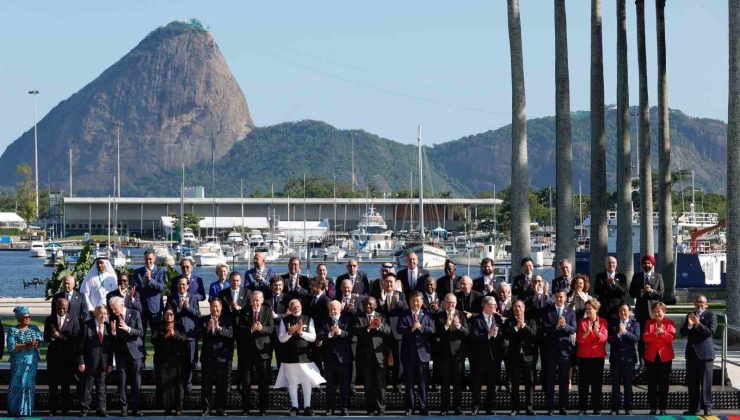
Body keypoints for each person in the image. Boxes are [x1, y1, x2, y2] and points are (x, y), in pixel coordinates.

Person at [275, 299, 326, 416]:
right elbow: (281, 339)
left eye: (298, 306)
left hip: (305, 356)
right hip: (289, 356)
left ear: (301, 307)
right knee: (292, 383)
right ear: (289, 308)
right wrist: (289, 333)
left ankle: (307, 406)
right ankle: (295, 407)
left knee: (306, 382)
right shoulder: (284, 320)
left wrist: (301, 333)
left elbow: (313, 337)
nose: (296, 308)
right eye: (293, 307)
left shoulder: (308, 319)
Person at [397, 292, 436, 416]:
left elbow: (433, 329)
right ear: (409, 302)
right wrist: (410, 329)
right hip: (408, 354)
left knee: (423, 383)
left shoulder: (428, 315)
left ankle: (424, 407)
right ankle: (410, 408)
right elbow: (398, 329)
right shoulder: (404, 315)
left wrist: (421, 327)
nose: (416, 303)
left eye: (418, 301)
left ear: (422, 302)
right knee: (409, 383)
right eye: (413, 301)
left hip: (423, 354)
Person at [237, 291, 275, 416]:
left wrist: (261, 328)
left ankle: (263, 409)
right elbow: (240, 330)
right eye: (253, 300)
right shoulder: (244, 311)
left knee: (263, 382)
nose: (255, 302)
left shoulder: (268, 311)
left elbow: (272, 329)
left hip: (263, 353)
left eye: (258, 300)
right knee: (246, 382)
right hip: (247, 352)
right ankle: (245, 409)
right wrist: (251, 329)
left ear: (262, 300)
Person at [352, 297, 391, 416]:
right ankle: (370, 409)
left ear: (375, 305)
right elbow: (354, 330)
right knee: (367, 384)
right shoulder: (359, 317)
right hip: (365, 356)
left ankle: (381, 409)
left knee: (380, 384)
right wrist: (368, 327)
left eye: (370, 304)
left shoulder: (382, 316)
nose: (367, 306)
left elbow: (389, 331)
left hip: (380, 356)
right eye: (365, 304)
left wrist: (379, 326)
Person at [44, 298, 81, 416]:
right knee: (53, 385)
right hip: (53, 357)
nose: (61, 310)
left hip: (67, 357)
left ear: (68, 307)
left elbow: (75, 337)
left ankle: (65, 410)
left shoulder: (74, 319)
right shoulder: (49, 319)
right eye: (59, 307)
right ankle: (52, 410)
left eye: (64, 308)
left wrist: (60, 336)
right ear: (56, 307)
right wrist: (52, 337)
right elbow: (45, 338)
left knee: (66, 385)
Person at [542, 289, 577, 415]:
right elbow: (545, 328)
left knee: (564, 380)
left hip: (565, 352)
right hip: (551, 351)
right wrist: (557, 325)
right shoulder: (548, 310)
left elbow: (573, 328)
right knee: (550, 380)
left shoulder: (571, 311)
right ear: (554, 297)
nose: (559, 299)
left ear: (565, 297)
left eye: (561, 297)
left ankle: (563, 407)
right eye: (557, 297)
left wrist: (564, 326)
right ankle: (550, 408)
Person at [109, 296, 145, 416]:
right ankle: (124, 408)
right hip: (121, 354)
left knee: (136, 381)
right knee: (122, 381)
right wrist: (113, 332)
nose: (113, 311)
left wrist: (128, 329)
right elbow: (112, 340)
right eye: (112, 309)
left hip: (135, 353)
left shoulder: (135, 313)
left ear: (122, 305)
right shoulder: (112, 318)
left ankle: (136, 408)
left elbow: (140, 332)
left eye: (115, 309)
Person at [681, 295, 716, 416]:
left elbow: (710, 332)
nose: (699, 304)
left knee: (706, 383)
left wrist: (698, 324)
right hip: (691, 355)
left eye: (701, 302)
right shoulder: (690, 315)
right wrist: (689, 325)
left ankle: (707, 408)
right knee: (692, 383)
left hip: (705, 355)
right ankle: (693, 408)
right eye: (697, 301)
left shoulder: (711, 315)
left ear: (706, 304)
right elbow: (683, 332)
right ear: (694, 303)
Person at [318, 300, 354, 416]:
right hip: (329, 359)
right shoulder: (324, 320)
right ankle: (330, 408)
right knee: (329, 386)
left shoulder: (347, 320)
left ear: (340, 309)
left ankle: (344, 408)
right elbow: (319, 335)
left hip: (344, 359)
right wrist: (329, 334)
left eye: (335, 309)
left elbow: (352, 336)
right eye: (331, 309)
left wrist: (339, 332)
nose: (333, 311)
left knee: (344, 386)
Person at [469, 296, 505, 415]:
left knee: (492, 382)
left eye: (495, 305)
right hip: (479, 356)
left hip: (494, 356)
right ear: (485, 305)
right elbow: (473, 336)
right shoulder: (476, 319)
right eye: (493, 305)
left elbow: (501, 334)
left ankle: (489, 407)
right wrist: (488, 335)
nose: (495, 307)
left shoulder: (497, 318)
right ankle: (476, 406)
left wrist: (496, 334)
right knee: (477, 382)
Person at [199, 299, 234, 416]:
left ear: (221, 307)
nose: (215, 309)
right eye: (213, 307)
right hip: (207, 358)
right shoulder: (204, 319)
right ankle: (206, 409)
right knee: (206, 386)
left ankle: (220, 409)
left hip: (222, 359)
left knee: (222, 386)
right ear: (210, 307)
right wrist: (207, 329)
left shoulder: (227, 319)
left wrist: (219, 328)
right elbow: (198, 335)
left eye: (217, 307)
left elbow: (230, 334)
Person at [435, 293, 469, 416]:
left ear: (456, 303)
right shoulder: (439, 316)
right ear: (444, 303)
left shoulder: (461, 315)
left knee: (457, 382)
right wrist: (446, 325)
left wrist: (459, 326)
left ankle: (457, 407)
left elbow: (467, 334)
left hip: (458, 355)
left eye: (453, 302)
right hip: (444, 355)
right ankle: (444, 407)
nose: (451, 305)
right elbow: (436, 335)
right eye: (448, 302)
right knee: (445, 382)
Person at [6, 306, 43, 417]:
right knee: (17, 384)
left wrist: (35, 344)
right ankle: (14, 409)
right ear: (19, 318)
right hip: (18, 362)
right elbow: (11, 346)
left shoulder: (35, 329)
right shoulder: (13, 330)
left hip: (31, 362)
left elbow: (39, 341)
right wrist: (27, 345)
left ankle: (26, 410)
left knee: (28, 384)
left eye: (29, 317)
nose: (27, 319)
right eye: (25, 317)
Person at [78, 304, 114, 417]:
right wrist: (81, 362)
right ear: (95, 314)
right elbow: (80, 346)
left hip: (103, 363)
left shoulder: (109, 327)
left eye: (105, 313)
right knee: (87, 388)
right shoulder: (87, 326)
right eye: (100, 313)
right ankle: (85, 410)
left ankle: (101, 409)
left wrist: (110, 363)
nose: (103, 315)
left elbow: (112, 347)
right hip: (89, 363)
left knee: (102, 388)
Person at [374, 272, 407, 392]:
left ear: (395, 283)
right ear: (383, 283)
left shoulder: (401, 295)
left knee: (398, 360)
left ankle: (397, 383)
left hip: (397, 332)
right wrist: (382, 303)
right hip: (382, 332)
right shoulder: (378, 295)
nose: (389, 284)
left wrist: (398, 303)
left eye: (391, 282)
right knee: (382, 359)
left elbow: (405, 309)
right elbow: (377, 313)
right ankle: (384, 381)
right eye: (387, 281)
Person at [151, 307, 187, 416]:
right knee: (164, 385)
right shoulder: (159, 326)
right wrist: (166, 336)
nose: (169, 316)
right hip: (162, 361)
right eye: (167, 314)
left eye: (171, 314)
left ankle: (178, 408)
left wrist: (174, 334)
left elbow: (184, 340)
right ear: (163, 315)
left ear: (174, 315)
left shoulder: (179, 326)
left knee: (177, 386)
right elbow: (153, 341)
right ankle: (167, 408)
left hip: (177, 361)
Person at [168, 276, 201, 394]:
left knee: (191, 361)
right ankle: (178, 384)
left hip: (191, 335)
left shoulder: (193, 297)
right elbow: (169, 315)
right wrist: (179, 307)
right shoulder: (172, 298)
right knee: (178, 361)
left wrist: (187, 307)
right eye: (179, 284)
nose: (181, 286)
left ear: (187, 286)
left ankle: (188, 385)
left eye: (183, 284)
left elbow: (198, 314)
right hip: (177, 335)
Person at [504, 300, 537, 416]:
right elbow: (507, 336)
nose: (517, 308)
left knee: (530, 383)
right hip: (514, 358)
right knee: (515, 384)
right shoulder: (509, 322)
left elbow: (534, 335)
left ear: (524, 307)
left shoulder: (531, 321)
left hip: (528, 357)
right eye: (515, 306)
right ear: (512, 308)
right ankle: (515, 408)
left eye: (520, 306)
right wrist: (517, 327)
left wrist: (524, 326)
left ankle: (529, 407)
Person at [629, 254, 664, 361]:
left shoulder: (658, 276)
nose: (646, 265)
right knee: (641, 339)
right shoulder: (637, 276)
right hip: (641, 313)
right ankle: (641, 361)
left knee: (653, 337)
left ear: (652, 264)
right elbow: (631, 292)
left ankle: (652, 360)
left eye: (648, 263)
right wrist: (641, 291)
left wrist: (651, 291)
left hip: (654, 313)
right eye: (645, 263)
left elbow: (661, 293)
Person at [576, 299, 608, 415]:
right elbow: (579, 340)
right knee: (583, 384)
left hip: (597, 356)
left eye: (590, 308)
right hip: (584, 356)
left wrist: (597, 331)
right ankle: (582, 408)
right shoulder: (582, 322)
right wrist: (587, 332)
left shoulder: (603, 322)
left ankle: (596, 408)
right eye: (587, 308)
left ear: (596, 309)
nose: (588, 311)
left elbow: (604, 339)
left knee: (597, 384)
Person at [607, 304, 640, 415]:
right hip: (616, 359)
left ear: (629, 312)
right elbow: (610, 340)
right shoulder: (613, 324)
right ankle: (614, 408)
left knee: (628, 385)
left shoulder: (635, 324)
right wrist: (618, 334)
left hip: (629, 360)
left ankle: (628, 408)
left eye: (625, 310)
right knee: (615, 385)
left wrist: (625, 332)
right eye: (621, 310)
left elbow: (636, 338)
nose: (623, 313)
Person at [644, 301, 675, 415]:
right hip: (651, 357)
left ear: (664, 312)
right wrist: (654, 334)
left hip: (665, 357)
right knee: (652, 383)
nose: (657, 314)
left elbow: (671, 338)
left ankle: (662, 408)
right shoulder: (649, 323)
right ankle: (652, 407)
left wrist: (662, 333)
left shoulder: (670, 323)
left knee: (664, 384)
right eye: (655, 312)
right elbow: (645, 338)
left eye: (659, 312)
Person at [130, 248, 167, 340]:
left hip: (155, 308)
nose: (148, 261)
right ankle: (141, 354)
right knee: (140, 334)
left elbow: (161, 287)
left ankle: (157, 354)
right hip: (141, 308)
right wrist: (143, 281)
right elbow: (134, 289)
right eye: (146, 259)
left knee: (156, 335)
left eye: (150, 259)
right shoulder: (137, 272)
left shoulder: (160, 271)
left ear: (154, 259)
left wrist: (150, 280)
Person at [594, 256, 628, 321]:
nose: (611, 264)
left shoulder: (622, 277)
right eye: (609, 263)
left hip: (616, 311)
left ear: (616, 264)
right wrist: (606, 284)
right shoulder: (600, 276)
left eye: (613, 263)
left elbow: (624, 292)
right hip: (603, 310)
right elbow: (596, 291)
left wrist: (615, 284)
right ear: (605, 264)